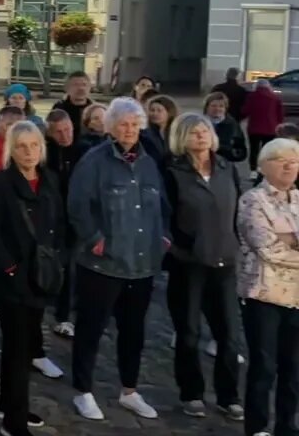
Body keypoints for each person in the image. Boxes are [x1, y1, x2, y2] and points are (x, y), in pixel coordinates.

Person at [68, 97, 169, 421]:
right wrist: (95, 239)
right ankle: (83, 391)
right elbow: (78, 205)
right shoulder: (94, 161)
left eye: (133, 124)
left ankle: (129, 390)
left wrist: (163, 235)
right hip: (102, 264)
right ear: (111, 127)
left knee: (134, 332)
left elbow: (161, 203)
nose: (128, 130)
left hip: (140, 264)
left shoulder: (148, 161)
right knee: (91, 330)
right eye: (122, 124)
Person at [0, 121, 65, 436]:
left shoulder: (50, 181)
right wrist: (10, 268)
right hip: (11, 280)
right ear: (10, 149)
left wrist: (59, 259)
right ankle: (13, 423)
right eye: (21, 146)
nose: (28, 152)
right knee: (17, 350)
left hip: (41, 277)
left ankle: (9, 403)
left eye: (34, 145)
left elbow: (60, 224)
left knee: (26, 344)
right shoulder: (0, 183)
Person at [162, 113, 244, 420]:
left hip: (225, 263)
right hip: (189, 264)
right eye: (195, 133)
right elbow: (165, 218)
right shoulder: (173, 172)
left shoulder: (227, 168)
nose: (201, 137)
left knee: (229, 335)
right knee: (189, 332)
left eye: (205, 131)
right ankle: (192, 392)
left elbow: (238, 210)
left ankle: (229, 396)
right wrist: (181, 248)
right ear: (183, 138)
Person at [236, 138, 299, 436]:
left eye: (294, 160)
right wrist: (288, 241)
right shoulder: (252, 200)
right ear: (263, 165)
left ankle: (288, 425)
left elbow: (282, 246)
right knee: (264, 366)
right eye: (280, 160)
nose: (289, 166)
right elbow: (268, 248)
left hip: (297, 297)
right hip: (263, 294)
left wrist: (290, 240)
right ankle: (258, 427)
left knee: (294, 369)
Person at [44, 109, 85, 339]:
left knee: (72, 268)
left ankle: (65, 315)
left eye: (67, 129)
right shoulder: (46, 153)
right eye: (58, 132)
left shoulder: (84, 149)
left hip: (76, 217)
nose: (64, 135)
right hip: (54, 216)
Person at [244, 79, 286, 171]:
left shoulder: (251, 96)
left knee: (254, 150)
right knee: (267, 150)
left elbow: (246, 111)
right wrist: (279, 126)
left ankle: (253, 171)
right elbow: (280, 115)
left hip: (254, 128)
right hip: (270, 129)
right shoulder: (275, 97)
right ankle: (263, 169)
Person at [203, 91, 249, 164]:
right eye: (213, 105)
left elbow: (240, 151)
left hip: (224, 165)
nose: (217, 109)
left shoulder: (232, 124)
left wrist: (226, 151)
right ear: (206, 107)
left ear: (225, 108)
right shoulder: (199, 123)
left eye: (221, 106)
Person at [52, 71, 95, 138]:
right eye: (75, 85)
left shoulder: (95, 110)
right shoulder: (59, 109)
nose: (81, 88)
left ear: (90, 88)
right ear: (67, 88)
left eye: (84, 85)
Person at [141, 94, 178, 164]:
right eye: (152, 110)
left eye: (159, 110)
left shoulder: (177, 133)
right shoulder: (144, 135)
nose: (155, 113)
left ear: (169, 113)